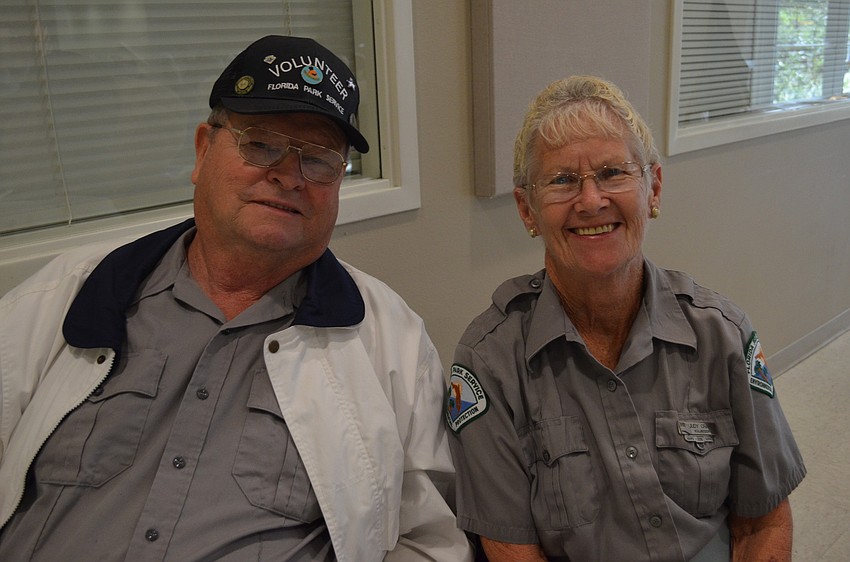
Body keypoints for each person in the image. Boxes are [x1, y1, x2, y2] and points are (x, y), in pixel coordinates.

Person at [0, 35, 472, 562]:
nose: (288, 176)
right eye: (261, 143)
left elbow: (428, 539)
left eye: (317, 158)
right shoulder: (62, 300)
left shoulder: (394, 343)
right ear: (204, 150)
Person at [445, 75, 805, 562]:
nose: (591, 201)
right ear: (526, 209)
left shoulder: (723, 334)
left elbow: (763, 522)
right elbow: (512, 551)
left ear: (652, 187)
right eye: (562, 180)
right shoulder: (490, 362)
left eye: (614, 172)